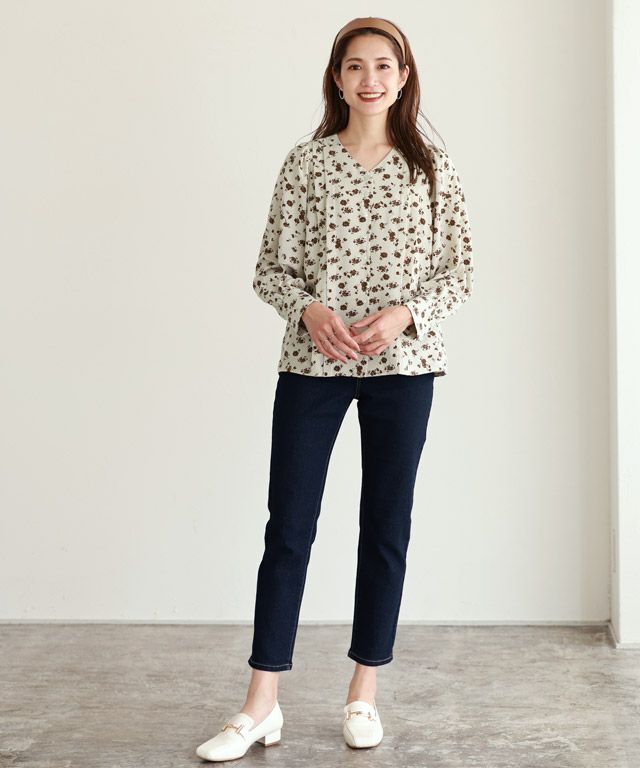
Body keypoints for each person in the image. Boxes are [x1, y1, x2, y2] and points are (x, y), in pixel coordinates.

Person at [196, 15, 474, 761]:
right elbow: (270, 267)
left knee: (385, 528)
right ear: (337, 78)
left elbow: (460, 270)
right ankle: (261, 704)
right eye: (355, 66)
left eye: (384, 65)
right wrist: (308, 309)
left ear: (404, 78)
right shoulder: (306, 164)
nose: (370, 78)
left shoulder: (433, 168)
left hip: (403, 368)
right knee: (288, 527)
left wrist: (406, 314)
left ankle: (363, 693)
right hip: (312, 365)